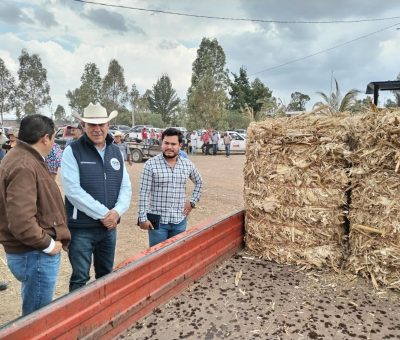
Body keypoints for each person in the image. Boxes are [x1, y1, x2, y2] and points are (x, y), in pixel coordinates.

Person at [0, 114, 71, 316]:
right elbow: (21, 221)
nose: (54, 143)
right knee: (36, 318)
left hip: (31, 253)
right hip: (34, 254)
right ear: (45, 138)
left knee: (33, 311)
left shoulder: (22, 158)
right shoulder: (24, 164)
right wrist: (48, 245)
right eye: (54, 137)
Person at [61, 103, 132, 292]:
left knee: (106, 273)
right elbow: (73, 191)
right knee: (80, 277)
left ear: (108, 125)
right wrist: (105, 214)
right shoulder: (72, 151)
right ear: (83, 125)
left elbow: (125, 187)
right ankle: (78, 318)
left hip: (109, 229)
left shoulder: (116, 151)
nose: (97, 128)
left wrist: (116, 212)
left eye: (101, 124)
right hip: (81, 230)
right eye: (92, 124)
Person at [138, 127, 203, 247]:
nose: (169, 147)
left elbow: (199, 182)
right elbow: (143, 193)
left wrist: (192, 202)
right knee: (156, 257)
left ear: (180, 145)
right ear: (161, 143)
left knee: (176, 255)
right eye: (166, 143)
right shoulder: (150, 165)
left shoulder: (187, 164)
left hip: (179, 220)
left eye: (173, 144)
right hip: (157, 222)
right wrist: (142, 218)